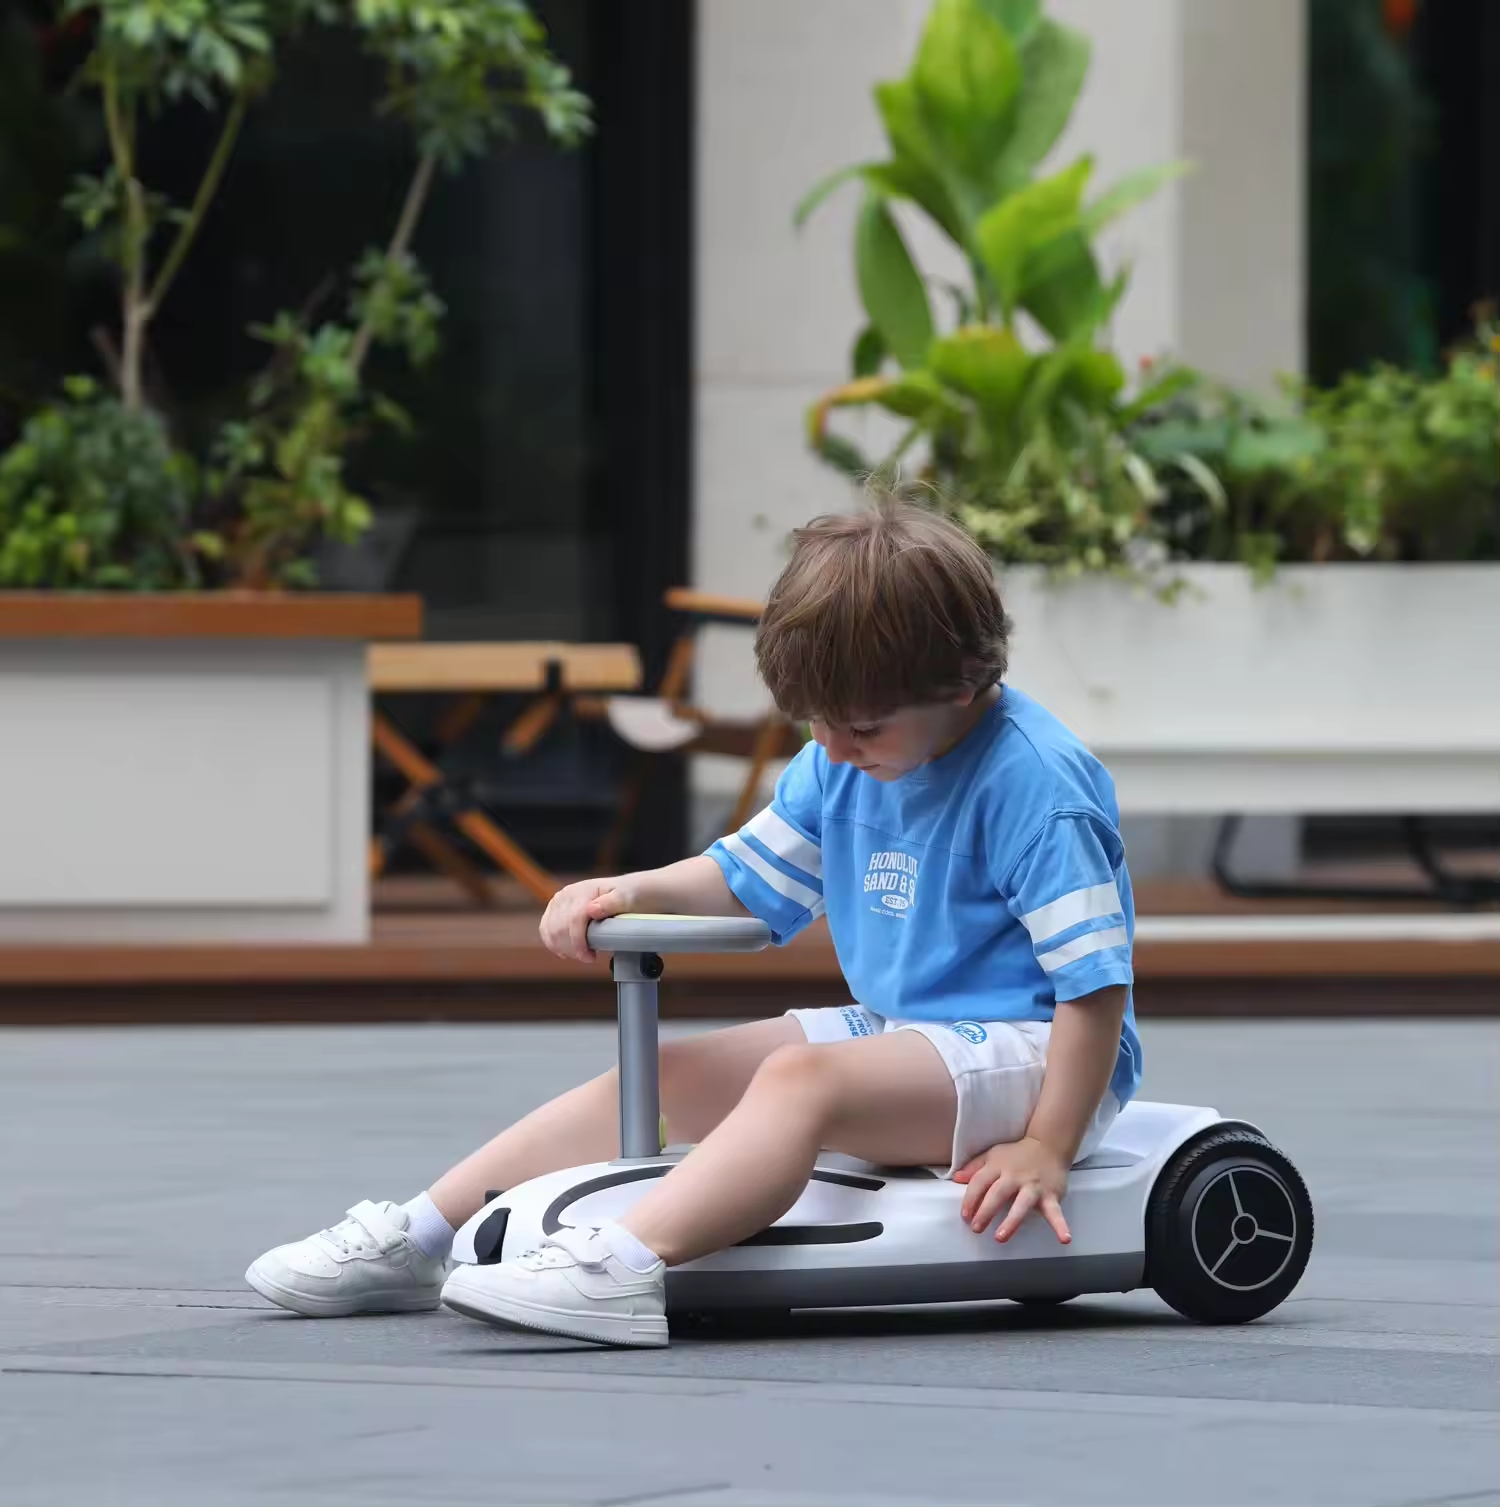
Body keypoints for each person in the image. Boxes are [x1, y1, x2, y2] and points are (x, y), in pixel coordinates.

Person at [246, 496, 1142, 1348]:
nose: (834, 746)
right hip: (909, 1028)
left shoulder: (1035, 785)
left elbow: (1093, 990)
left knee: (800, 1080)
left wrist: (1047, 1143)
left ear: (966, 679)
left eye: (863, 726)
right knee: (668, 1072)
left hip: (1039, 1048)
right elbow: (744, 876)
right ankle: (421, 1235)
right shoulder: (844, 761)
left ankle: (625, 1265)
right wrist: (626, 889)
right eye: (817, 723)